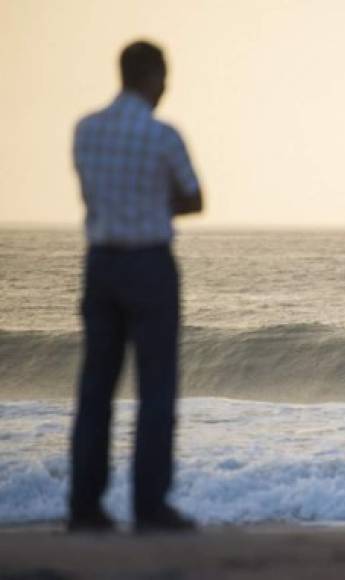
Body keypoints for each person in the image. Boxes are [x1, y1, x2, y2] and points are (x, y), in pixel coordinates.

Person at [68, 40, 203, 533]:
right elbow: (194, 198)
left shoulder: (86, 130)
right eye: (164, 78)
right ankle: (150, 507)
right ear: (152, 77)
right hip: (149, 263)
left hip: (101, 263)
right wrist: (155, 203)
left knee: (96, 387)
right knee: (156, 388)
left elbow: (89, 194)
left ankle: (85, 507)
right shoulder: (163, 136)